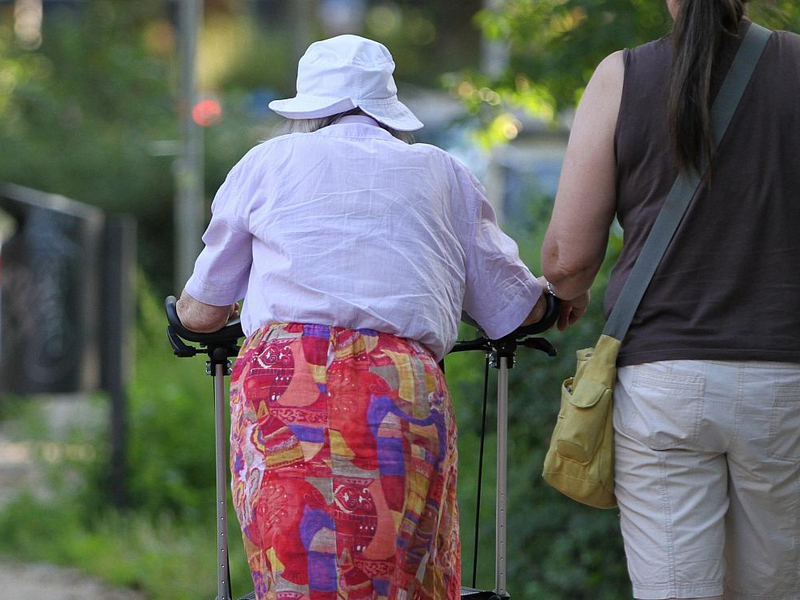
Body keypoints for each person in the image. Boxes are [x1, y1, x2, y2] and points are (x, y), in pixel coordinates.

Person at [177, 35, 548, 600]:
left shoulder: (268, 161)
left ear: (309, 110)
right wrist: (555, 301)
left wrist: (194, 314)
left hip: (282, 381)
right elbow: (511, 308)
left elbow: (202, 312)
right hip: (397, 386)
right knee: (401, 567)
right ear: (387, 109)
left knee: (295, 566)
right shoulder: (442, 172)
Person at [541, 0, 800, 599]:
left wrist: (567, 294)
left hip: (664, 385)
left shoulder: (622, 76)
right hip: (785, 380)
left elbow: (570, 260)